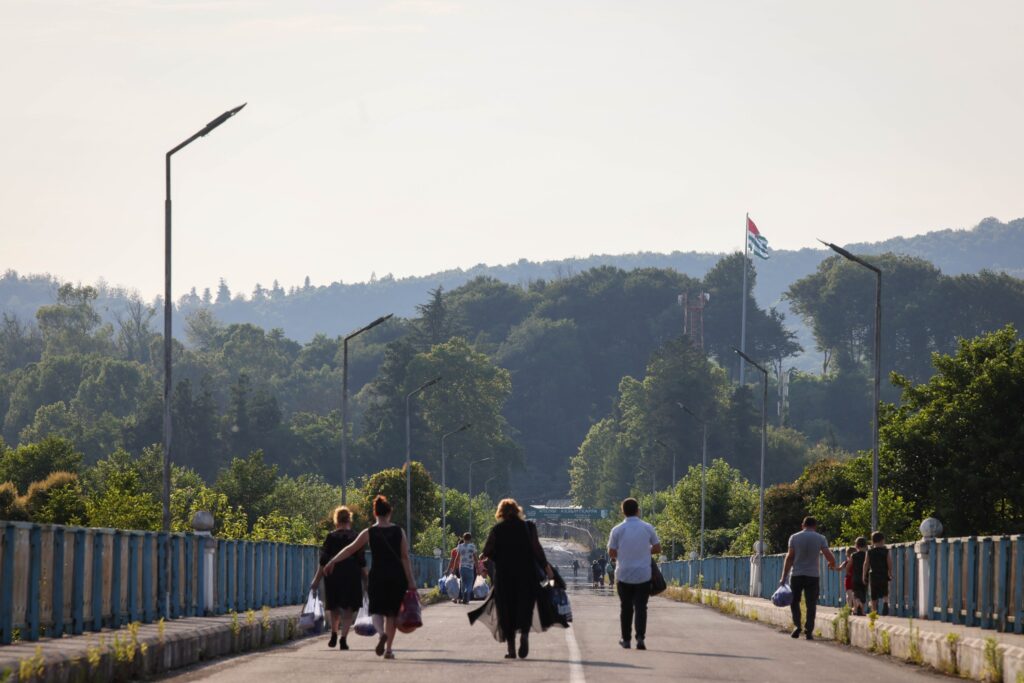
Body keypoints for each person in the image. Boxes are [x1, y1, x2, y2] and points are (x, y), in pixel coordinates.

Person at [324, 495, 414, 660]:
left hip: (378, 576)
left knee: (376, 610)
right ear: (389, 513)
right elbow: (405, 557)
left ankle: (380, 634)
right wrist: (411, 582)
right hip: (396, 577)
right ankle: (388, 650)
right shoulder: (398, 531)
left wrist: (332, 561)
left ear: (375, 514)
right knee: (392, 615)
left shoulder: (369, 532)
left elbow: (350, 549)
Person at [468, 498, 556, 660]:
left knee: (506, 610)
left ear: (501, 512)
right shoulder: (529, 527)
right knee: (525, 607)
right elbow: (537, 549)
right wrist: (546, 568)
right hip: (527, 575)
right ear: (517, 511)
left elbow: (487, 551)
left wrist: (485, 556)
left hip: (505, 577)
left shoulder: (498, 529)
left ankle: (511, 650)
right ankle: (524, 634)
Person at [608, 497, 661, 650]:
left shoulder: (617, 530)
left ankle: (626, 640)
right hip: (643, 575)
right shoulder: (647, 527)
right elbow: (657, 548)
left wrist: (624, 554)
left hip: (623, 574)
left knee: (625, 607)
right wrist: (644, 552)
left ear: (622, 512)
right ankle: (640, 638)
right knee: (641, 607)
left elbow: (612, 552)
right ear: (638, 510)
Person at [310, 506, 366, 650]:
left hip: (333, 575)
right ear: (349, 519)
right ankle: (343, 638)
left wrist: (316, 580)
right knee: (348, 609)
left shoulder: (331, 537)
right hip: (351, 575)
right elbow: (362, 561)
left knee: (334, 606)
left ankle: (334, 633)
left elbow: (323, 561)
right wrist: (367, 579)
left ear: (336, 520)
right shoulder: (355, 536)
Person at [780, 516, 836, 640]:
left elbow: (789, 557)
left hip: (797, 575)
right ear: (815, 526)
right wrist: (831, 564)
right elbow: (829, 556)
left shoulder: (794, 537)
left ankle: (797, 626)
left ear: (802, 525)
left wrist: (783, 576)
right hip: (813, 575)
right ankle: (809, 631)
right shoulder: (821, 538)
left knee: (794, 601)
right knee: (811, 604)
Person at [864, 531, 893, 616]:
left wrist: (863, 574)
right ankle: (885, 603)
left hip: (873, 574)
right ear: (883, 540)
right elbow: (889, 562)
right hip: (883, 573)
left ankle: (874, 611)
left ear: (872, 541)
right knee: (885, 590)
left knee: (873, 593)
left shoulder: (869, 552)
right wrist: (890, 572)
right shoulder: (886, 551)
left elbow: (866, 564)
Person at [832, 545, 860, 615]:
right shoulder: (857, 562)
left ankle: (849, 609)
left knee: (848, 595)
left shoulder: (846, 562)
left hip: (848, 579)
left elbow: (839, 568)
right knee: (855, 595)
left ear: (847, 554)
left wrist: (833, 567)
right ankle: (856, 610)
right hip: (855, 579)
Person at [457, 532, 478, 604]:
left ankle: (464, 598)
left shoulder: (460, 546)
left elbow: (457, 558)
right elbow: (475, 558)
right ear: (470, 539)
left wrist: (454, 568)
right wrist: (478, 568)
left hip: (462, 567)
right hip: (470, 568)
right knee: (469, 583)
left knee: (463, 583)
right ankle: (467, 593)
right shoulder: (472, 546)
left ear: (463, 538)